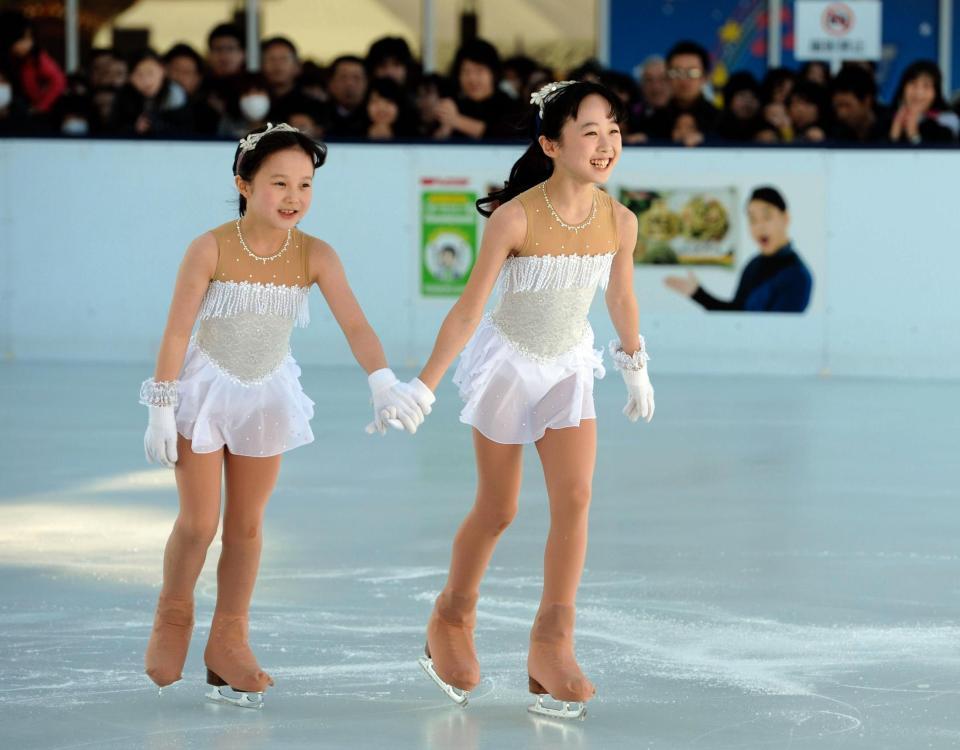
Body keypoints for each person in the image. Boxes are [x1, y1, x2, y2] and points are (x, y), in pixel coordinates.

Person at [139, 122, 426, 708]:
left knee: (246, 526)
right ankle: (173, 614)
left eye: (305, 184)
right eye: (279, 183)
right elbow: (176, 329)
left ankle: (229, 642)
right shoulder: (210, 247)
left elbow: (356, 324)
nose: (294, 197)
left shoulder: (314, 254)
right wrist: (161, 405)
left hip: (266, 396)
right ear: (243, 184)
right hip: (203, 392)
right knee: (199, 523)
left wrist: (381, 381)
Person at [411, 80, 655, 720]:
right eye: (590, 132)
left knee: (575, 500)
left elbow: (621, 298)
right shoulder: (516, 216)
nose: (606, 145)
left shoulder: (619, 220)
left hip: (569, 366)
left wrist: (634, 365)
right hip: (508, 367)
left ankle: (552, 645)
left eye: (613, 131)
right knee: (499, 508)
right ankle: (451, 619)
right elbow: (467, 313)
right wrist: (424, 384)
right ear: (551, 143)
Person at [664, 186, 812, 312]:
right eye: (752, 219)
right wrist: (698, 294)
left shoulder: (798, 276)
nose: (759, 227)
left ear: (785, 218)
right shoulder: (753, 265)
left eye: (767, 217)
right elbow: (737, 315)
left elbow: (775, 333)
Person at [437, 39, 518, 140]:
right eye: (466, 71)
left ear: (493, 73)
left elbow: (503, 135)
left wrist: (457, 121)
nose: (472, 78)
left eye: (479, 71)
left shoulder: (510, 106)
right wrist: (445, 127)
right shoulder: (455, 105)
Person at [646, 40, 719, 143]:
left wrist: (705, 141)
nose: (684, 80)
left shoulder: (721, 121)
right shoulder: (652, 121)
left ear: (705, 77)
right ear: (667, 76)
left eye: (692, 73)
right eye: (676, 72)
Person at [0, 10, 66, 115]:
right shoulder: (6, 60)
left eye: (30, 38)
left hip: (36, 111)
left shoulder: (37, 57)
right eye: (23, 39)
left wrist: (41, 107)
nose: (29, 43)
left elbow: (58, 80)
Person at [888, 60, 958, 145]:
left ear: (936, 92)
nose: (918, 92)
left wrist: (914, 135)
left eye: (926, 86)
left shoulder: (944, 126)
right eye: (913, 83)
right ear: (903, 87)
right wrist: (894, 134)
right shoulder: (884, 120)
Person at [829, 66, 889, 143]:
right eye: (837, 106)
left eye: (847, 105)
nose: (841, 113)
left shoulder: (890, 126)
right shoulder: (834, 129)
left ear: (867, 101)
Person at [326, 55, 368, 137]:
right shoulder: (319, 116)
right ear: (330, 83)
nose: (350, 84)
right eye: (343, 77)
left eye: (357, 78)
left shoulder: (374, 117)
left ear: (366, 83)